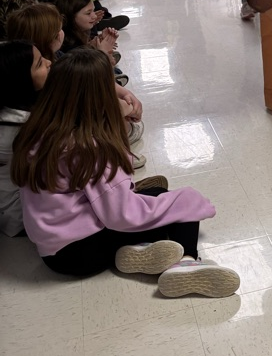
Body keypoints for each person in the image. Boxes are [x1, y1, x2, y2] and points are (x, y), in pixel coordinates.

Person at [11, 50, 240, 297]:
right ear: (100, 98)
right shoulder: (89, 146)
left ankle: (136, 250)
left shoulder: (38, 129)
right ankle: (186, 261)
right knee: (182, 202)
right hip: (83, 252)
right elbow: (120, 215)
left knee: (156, 192)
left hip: (52, 251)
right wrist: (174, 204)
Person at [0, 40, 52, 237]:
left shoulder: (13, 105)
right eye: (39, 63)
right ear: (19, 80)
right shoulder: (22, 128)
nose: (48, 62)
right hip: (23, 215)